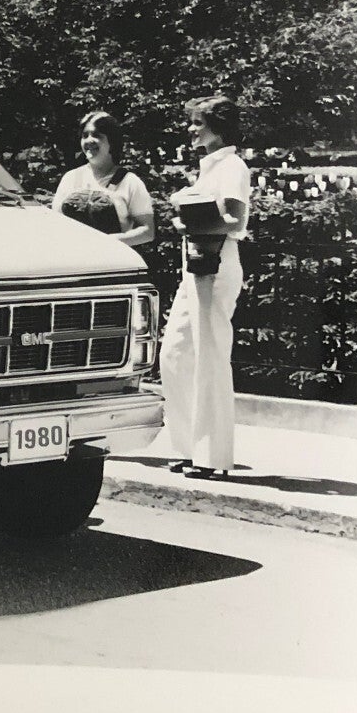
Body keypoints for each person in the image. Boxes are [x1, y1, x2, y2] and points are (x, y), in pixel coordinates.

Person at [156, 94, 252, 478]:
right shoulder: (209, 167)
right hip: (196, 266)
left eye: (198, 122)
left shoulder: (232, 166)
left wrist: (185, 222)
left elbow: (234, 221)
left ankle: (212, 457)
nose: (191, 129)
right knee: (175, 354)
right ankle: (187, 447)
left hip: (217, 264)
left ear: (218, 126)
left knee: (209, 356)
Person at [50, 111, 155, 248]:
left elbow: (147, 232)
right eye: (85, 135)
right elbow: (56, 224)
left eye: (96, 135)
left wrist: (107, 241)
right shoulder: (70, 178)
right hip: (73, 259)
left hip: (113, 262)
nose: (89, 140)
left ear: (112, 141)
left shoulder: (130, 182)